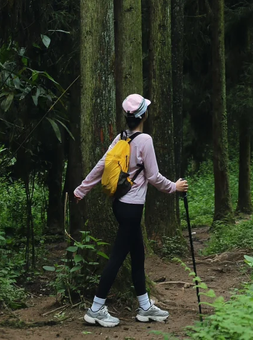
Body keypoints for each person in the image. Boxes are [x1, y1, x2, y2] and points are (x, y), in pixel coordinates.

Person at [73, 93, 188, 328]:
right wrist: (173, 187)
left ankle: (145, 307)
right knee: (117, 258)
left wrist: (81, 190)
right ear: (143, 115)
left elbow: (101, 165)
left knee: (137, 256)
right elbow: (153, 176)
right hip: (132, 209)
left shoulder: (121, 138)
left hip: (120, 204)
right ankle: (95, 309)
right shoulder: (145, 140)